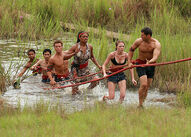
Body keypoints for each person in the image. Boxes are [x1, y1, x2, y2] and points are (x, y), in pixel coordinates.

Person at [128, 27, 161, 108]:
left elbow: (155, 57)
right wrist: (129, 62)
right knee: (143, 85)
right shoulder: (139, 41)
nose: (141, 36)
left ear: (148, 35)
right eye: (141, 35)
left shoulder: (156, 44)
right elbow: (131, 50)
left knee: (146, 87)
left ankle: (143, 102)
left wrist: (149, 62)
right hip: (140, 63)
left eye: (143, 35)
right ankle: (140, 104)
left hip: (150, 64)